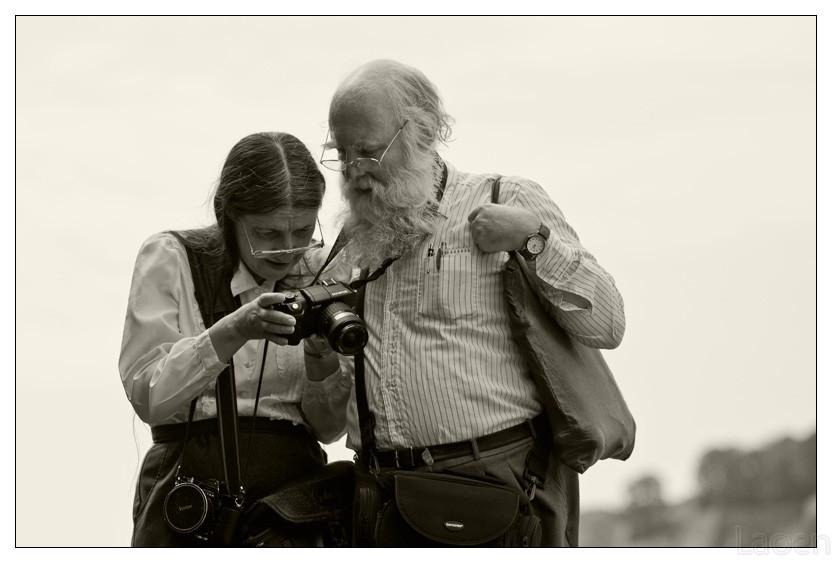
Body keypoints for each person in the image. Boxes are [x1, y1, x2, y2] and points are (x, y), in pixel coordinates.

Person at [322, 59, 626, 547]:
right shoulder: (346, 245)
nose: (354, 171)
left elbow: (607, 323)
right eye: (342, 153)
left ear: (423, 131)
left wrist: (532, 240)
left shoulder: (506, 197)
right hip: (384, 500)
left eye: (368, 151)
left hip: (498, 490)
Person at [119, 132, 352, 546]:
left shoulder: (321, 272)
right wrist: (233, 330)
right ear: (228, 215)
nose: (287, 250)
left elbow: (328, 430)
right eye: (267, 234)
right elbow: (148, 396)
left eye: (302, 230)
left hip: (294, 502)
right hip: (190, 490)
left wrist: (321, 360)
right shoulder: (172, 257)